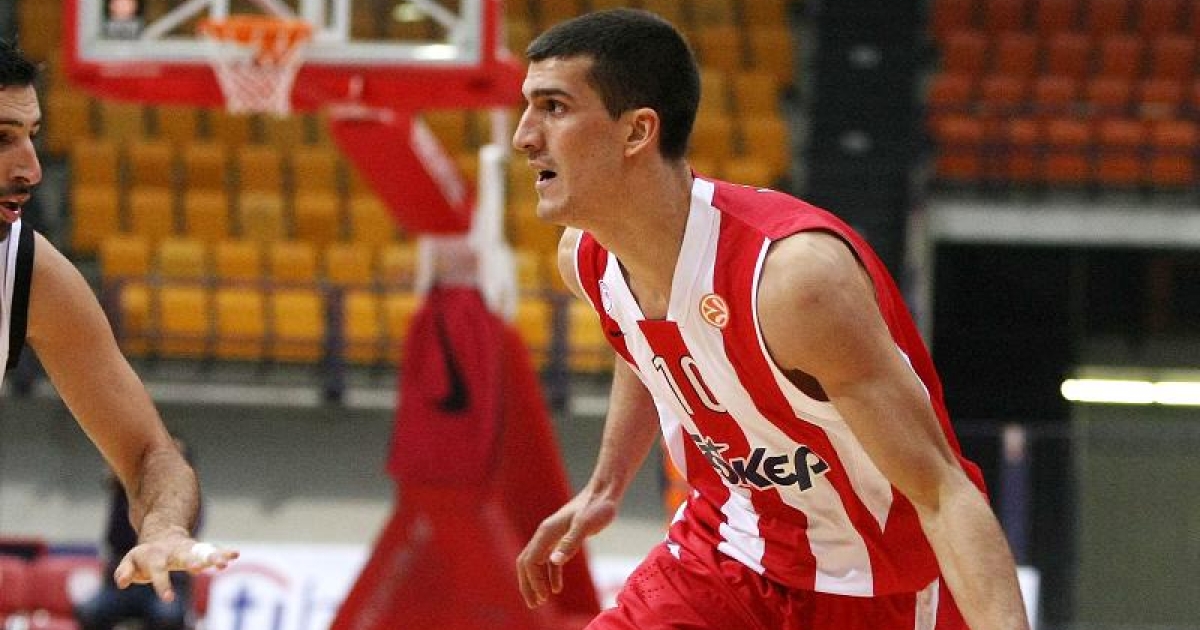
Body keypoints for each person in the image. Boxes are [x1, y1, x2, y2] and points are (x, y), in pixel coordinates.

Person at [511, 9, 1031, 630]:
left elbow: (944, 492)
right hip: (728, 553)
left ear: (637, 131)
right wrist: (606, 484)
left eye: (554, 107)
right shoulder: (588, 260)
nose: (524, 137)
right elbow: (644, 348)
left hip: (877, 586)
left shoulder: (794, 282)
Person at [0, 38, 237, 602]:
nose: (32, 170)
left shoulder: (28, 271)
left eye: (32, 137)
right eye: (2, 138)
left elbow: (153, 455)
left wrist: (163, 527)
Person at [76, 438, 200, 630]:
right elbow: (114, 538)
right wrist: (121, 481)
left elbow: (188, 538)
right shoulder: (126, 494)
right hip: (124, 584)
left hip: (166, 583)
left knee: (168, 616)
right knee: (90, 611)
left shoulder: (189, 499)